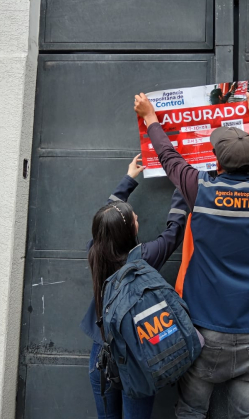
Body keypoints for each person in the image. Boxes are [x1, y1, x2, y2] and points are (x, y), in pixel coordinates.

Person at [134, 90, 249, 419]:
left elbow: (170, 158)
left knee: (191, 411)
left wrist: (151, 118)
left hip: (206, 332)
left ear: (216, 162)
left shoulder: (203, 192)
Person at [80, 154, 191, 419]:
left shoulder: (95, 251)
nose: (137, 217)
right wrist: (181, 186)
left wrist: (128, 179)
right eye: (134, 219)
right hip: (137, 359)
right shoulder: (144, 257)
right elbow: (174, 231)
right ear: (129, 231)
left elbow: (106, 220)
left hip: (102, 355)